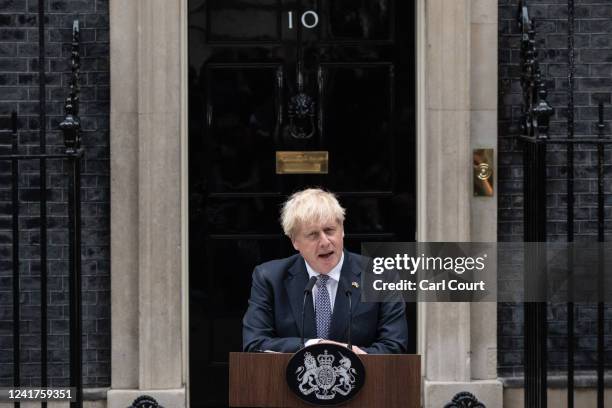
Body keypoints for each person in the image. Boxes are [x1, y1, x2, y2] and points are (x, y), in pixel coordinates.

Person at [243, 188, 408, 354]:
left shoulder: (381, 275)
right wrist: (315, 345)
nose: (324, 242)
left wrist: (357, 357)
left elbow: (394, 346)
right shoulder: (269, 278)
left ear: (342, 230)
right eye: (313, 235)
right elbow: (255, 343)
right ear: (295, 241)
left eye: (329, 230)